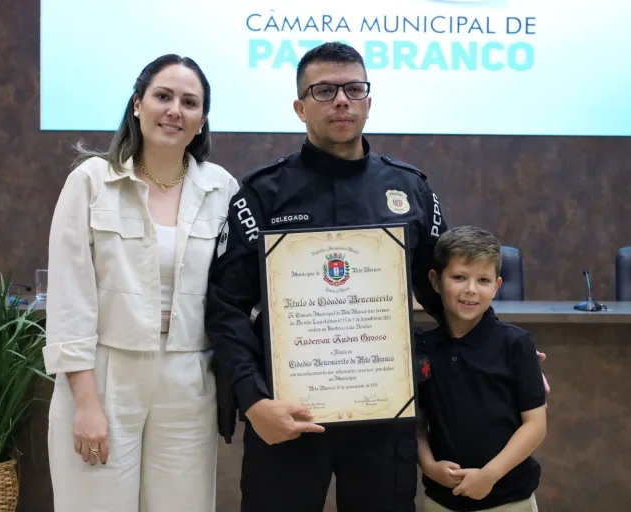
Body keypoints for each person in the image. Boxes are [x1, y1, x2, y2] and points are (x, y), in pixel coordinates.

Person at [204, 41, 448, 512]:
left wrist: (501, 350)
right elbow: (225, 308)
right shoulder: (262, 194)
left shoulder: (410, 189)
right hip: (287, 414)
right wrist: (253, 402)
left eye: (353, 88)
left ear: (369, 102)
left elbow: (442, 291)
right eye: (323, 90)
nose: (341, 100)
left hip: (384, 415)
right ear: (299, 107)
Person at [42, 54, 238, 512]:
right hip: (105, 375)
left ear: (202, 120)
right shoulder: (91, 181)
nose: (175, 110)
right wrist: (86, 404)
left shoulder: (222, 188)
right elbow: (69, 297)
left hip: (190, 375)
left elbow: (235, 293)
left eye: (189, 102)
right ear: (137, 104)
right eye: (163, 96)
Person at [415, 226, 547, 512]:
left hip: (510, 499)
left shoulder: (517, 344)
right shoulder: (422, 347)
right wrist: (428, 466)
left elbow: (535, 425)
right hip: (441, 500)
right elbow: (417, 422)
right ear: (436, 281)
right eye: (459, 277)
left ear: (497, 285)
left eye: (483, 280)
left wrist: (489, 475)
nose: (471, 290)